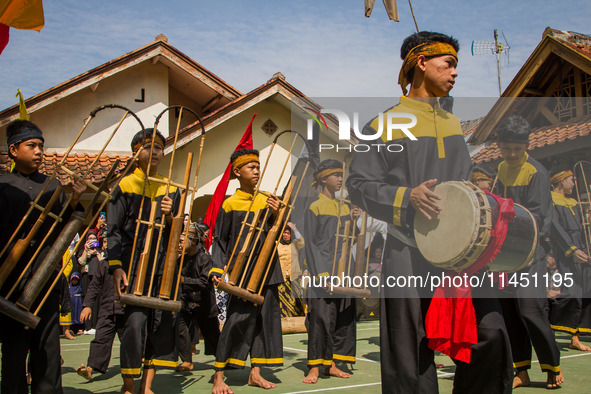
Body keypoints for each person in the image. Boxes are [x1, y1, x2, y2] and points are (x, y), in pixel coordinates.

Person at [346, 32, 513, 393]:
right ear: (421, 63)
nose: (455, 73)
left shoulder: (453, 123)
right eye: (449, 63)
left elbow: (463, 183)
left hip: (460, 251)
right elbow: (358, 184)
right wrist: (407, 197)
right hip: (406, 247)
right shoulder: (384, 123)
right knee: (410, 351)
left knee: (491, 333)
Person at [0, 119, 85, 394]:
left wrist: (73, 200)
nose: (39, 151)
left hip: (46, 279)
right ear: (13, 150)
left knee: (47, 351)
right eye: (31, 145)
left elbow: (64, 229)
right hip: (10, 281)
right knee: (13, 353)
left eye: (41, 146)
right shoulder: (3, 185)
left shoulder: (53, 187)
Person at [492, 115, 564, 389]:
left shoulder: (537, 172)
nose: (511, 154)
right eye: (506, 148)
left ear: (526, 146)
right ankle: (521, 371)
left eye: (516, 149)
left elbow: (539, 217)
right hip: (506, 255)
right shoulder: (500, 168)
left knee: (531, 309)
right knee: (510, 311)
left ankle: (552, 366)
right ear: (499, 145)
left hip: (531, 252)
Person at [108, 128, 181, 394]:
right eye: (148, 147)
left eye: (160, 148)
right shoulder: (126, 185)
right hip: (133, 266)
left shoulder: (171, 188)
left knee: (158, 325)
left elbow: (177, 232)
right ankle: (129, 384)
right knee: (135, 324)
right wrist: (116, 267)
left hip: (161, 266)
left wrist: (171, 215)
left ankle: (147, 386)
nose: (155, 152)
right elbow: (113, 230)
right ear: (136, 152)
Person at [209, 148, 282, 394]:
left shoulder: (269, 200)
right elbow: (219, 240)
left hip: (268, 271)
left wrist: (276, 214)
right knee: (236, 320)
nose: (257, 170)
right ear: (237, 172)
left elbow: (281, 235)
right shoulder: (229, 204)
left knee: (264, 323)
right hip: (243, 272)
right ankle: (219, 375)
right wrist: (217, 269)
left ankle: (256, 374)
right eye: (251, 167)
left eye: (258, 166)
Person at [303, 159, 359, 384]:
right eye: (335, 175)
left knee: (342, 318)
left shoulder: (345, 206)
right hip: (322, 271)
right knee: (320, 319)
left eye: (341, 175)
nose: (340, 179)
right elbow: (312, 244)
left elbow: (351, 240)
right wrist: (322, 274)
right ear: (323, 178)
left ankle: (333, 364)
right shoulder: (314, 206)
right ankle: (315, 367)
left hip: (344, 269)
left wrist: (354, 222)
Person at [547, 165, 591, 351]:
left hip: (583, 249)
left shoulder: (573, 202)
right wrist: (571, 250)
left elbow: (581, 228)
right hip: (566, 251)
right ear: (561, 181)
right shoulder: (551, 201)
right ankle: (546, 318)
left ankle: (576, 336)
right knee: (572, 292)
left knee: (585, 292)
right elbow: (556, 229)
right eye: (571, 180)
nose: (574, 183)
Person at [176, 221, 220, 372]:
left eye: (182, 241)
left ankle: (222, 360)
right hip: (187, 301)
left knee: (212, 334)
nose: (179, 244)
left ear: (193, 240)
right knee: (179, 326)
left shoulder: (204, 258)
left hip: (204, 302)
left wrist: (183, 280)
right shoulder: (180, 259)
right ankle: (187, 361)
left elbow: (204, 282)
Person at [76, 245, 125, 380]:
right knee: (100, 339)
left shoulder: (129, 262)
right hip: (107, 308)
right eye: (105, 242)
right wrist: (87, 306)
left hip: (125, 309)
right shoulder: (104, 264)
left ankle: (138, 364)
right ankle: (90, 368)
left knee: (130, 341)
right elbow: (94, 285)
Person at [277, 221, 306, 317]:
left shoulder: (294, 244)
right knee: (282, 300)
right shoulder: (276, 244)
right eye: (284, 233)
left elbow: (302, 241)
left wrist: (294, 229)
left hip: (294, 278)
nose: (285, 235)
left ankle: (297, 318)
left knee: (295, 300)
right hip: (281, 278)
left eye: (288, 233)